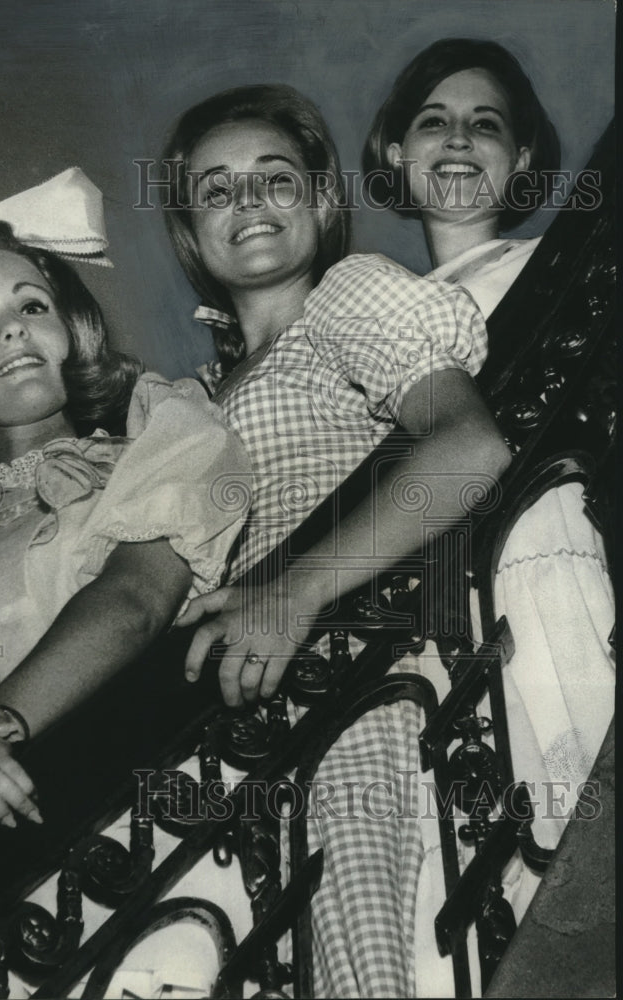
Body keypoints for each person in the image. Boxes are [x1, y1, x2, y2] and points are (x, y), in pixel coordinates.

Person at [160, 84, 512, 997]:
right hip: (244, 721)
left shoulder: (343, 300)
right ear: (189, 234)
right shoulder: (190, 401)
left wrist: (296, 590)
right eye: (217, 190)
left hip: (354, 664)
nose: (250, 203)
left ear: (321, 201)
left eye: (277, 179)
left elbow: (470, 446)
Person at [0, 220, 250, 867]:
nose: (11, 328)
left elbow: (135, 600)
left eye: (31, 305)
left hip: (130, 813)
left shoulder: (160, 440)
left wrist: (2, 727)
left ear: (68, 331)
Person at [362, 38, 615, 992]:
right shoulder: (380, 321)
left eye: (487, 124)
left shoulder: (554, 277)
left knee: (578, 883)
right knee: (469, 919)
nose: (459, 137)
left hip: (542, 580)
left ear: (520, 161)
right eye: (433, 119)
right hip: (430, 643)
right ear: (395, 155)